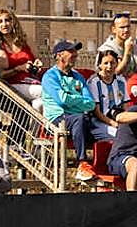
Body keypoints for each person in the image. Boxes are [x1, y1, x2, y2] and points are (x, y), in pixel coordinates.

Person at [40, 40, 96, 171]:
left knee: (99, 128)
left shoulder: (78, 77)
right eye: (71, 51)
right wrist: (78, 101)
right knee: (79, 118)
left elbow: (91, 104)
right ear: (59, 55)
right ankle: (82, 162)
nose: (75, 54)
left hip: (75, 118)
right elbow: (62, 101)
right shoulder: (50, 76)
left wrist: (71, 102)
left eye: (75, 51)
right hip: (56, 119)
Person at [0, 9, 43, 112]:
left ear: (13, 22)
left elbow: (37, 59)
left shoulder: (25, 40)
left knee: (39, 104)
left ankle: (35, 128)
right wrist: (18, 69)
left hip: (32, 81)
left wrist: (37, 64)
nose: (4, 24)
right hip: (12, 85)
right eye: (0, 21)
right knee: (49, 93)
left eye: (7, 20)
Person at [87, 49, 129, 142]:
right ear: (100, 65)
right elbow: (97, 112)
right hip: (100, 122)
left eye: (112, 63)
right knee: (119, 136)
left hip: (119, 119)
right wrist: (113, 123)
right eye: (106, 63)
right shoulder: (94, 82)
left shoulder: (121, 81)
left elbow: (126, 106)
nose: (109, 66)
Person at [97, 13, 137, 78]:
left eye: (128, 26)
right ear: (114, 29)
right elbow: (113, 73)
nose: (126, 30)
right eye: (122, 27)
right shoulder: (106, 49)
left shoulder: (134, 46)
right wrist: (127, 53)